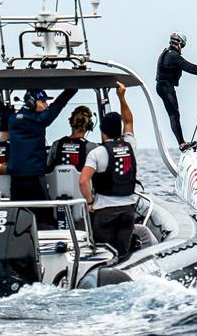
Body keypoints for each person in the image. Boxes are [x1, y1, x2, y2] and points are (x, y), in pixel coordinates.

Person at [0, 88, 77, 227]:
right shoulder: (41, 119)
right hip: (35, 178)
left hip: (16, 179)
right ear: (31, 102)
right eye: (43, 101)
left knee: (18, 216)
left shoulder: (11, 117)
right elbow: (60, 103)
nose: (46, 105)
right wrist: (72, 88)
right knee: (45, 218)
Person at [79, 82, 137, 260]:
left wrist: (90, 202)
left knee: (104, 256)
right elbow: (128, 120)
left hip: (105, 212)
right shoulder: (130, 145)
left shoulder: (97, 153)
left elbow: (83, 181)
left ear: (103, 132)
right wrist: (122, 97)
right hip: (127, 210)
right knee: (123, 255)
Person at [155, 32, 197, 151]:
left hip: (163, 86)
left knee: (174, 114)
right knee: (174, 115)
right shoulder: (172, 55)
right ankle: (182, 144)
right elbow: (187, 66)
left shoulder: (167, 53)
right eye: (182, 46)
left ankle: (182, 143)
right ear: (179, 43)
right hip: (165, 87)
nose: (181, 49)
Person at [47, 105, 98, 172]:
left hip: (59, 182)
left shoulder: (56, 145)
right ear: (89, 126)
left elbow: (48, 166)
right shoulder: (92, 148)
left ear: (71, 123)